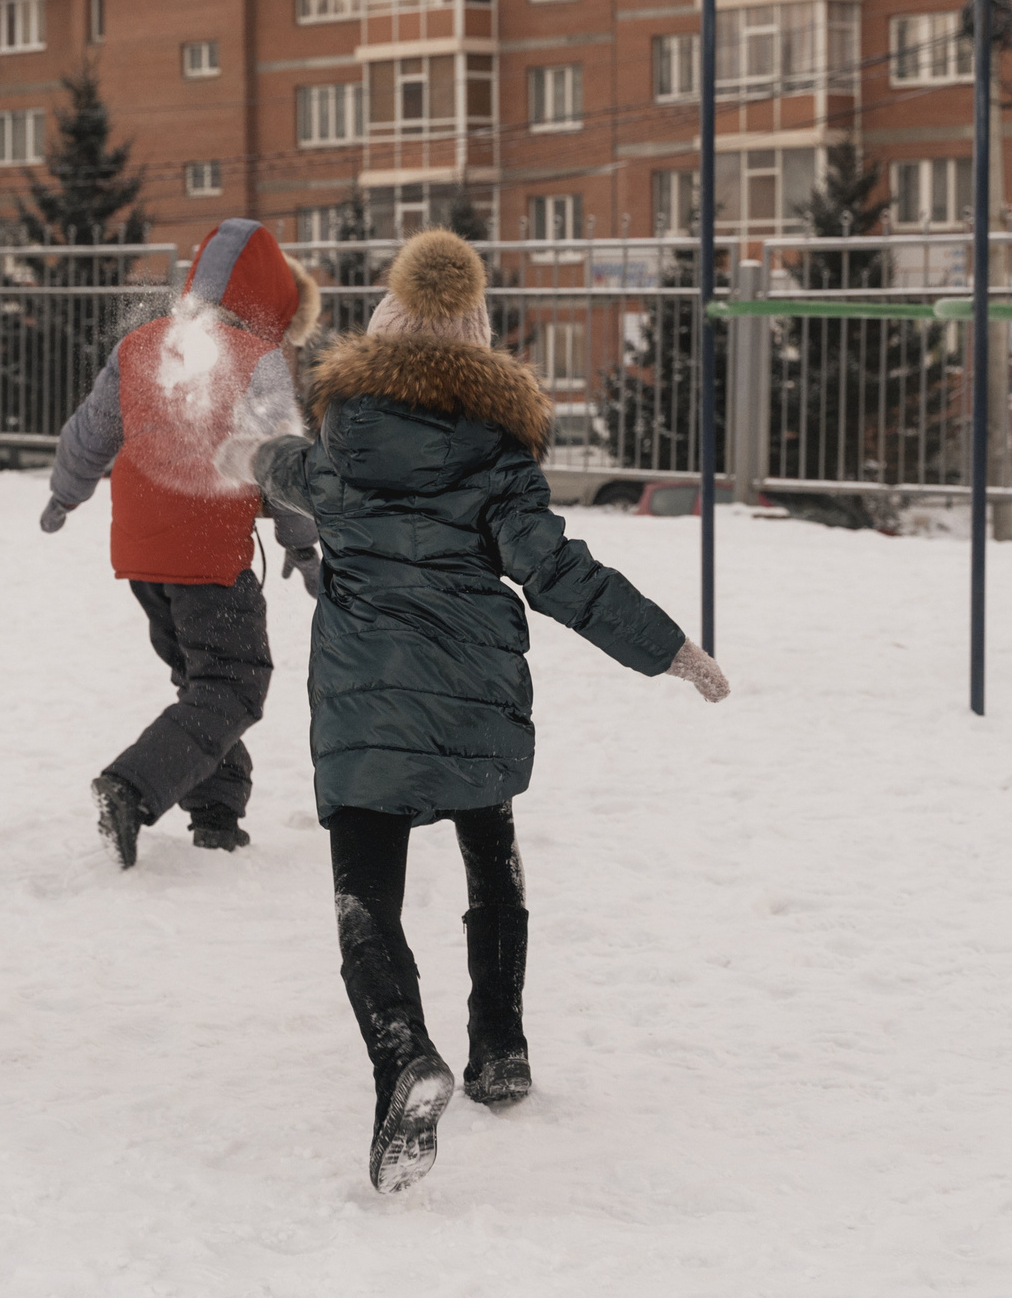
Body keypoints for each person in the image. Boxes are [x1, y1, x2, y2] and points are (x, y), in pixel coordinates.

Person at [237, 228, 731, 1195]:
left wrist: (250, 452)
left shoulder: (338, 450)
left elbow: (282, 467)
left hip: (362, 700)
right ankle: (498, 1047)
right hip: (472, 694)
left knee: (363, 894)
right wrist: (666, 645)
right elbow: (555, 569)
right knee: (489, 854)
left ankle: (401, 1054)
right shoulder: (497, 460)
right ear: (479, 353)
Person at [41, 217, 321, 868]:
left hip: (143, 552)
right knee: (233, 683)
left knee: (203, 681)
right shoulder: (259, 360)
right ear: (270, 298)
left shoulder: (146, 341)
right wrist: (302, 544)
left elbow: (91, 429)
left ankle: (217, 813)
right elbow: (285, 464)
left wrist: (66, 492)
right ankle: (131, 786)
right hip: (208, 551)